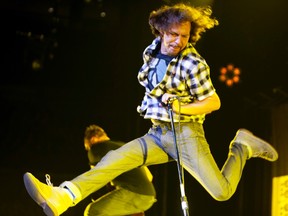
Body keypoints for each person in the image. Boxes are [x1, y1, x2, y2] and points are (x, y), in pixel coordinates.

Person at [23, 3, 278, 216]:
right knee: (113, 159)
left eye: (185, 36)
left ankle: (241, 147)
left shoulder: (193, 63)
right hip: (157, 134)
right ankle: (61, 196)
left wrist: (181, 106)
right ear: (160, 31)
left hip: (186, 135)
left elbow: (214, 102)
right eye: (174, 34)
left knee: (221, 192)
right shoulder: (151, 52)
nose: (179, 41)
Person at [82, 124, 156, 216]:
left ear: (93, 139)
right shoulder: (122, 146)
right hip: (149, 195)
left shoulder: (96, 148)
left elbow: (93, 180)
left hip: (133, 193)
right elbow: (149, 176)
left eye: (88, 147)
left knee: (92, 211)